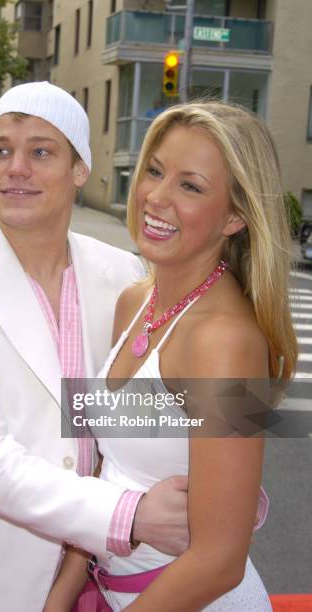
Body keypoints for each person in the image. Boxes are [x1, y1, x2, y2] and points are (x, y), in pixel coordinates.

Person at [0, 83, 194, 612]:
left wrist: (230, 459)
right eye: (0, 150)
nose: (16, 167)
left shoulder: (123, 274)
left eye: (40, 151)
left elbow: (135, 414)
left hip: (101, 576)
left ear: (79, 169)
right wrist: (130, 514)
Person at [45, 102, 298, 611]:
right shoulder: (136, 301)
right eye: (156, 171)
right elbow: (105, 469)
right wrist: (63, 593)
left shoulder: (229, 342)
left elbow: (221, 561)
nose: (156, 197)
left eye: (191, 186)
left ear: (235, 216)